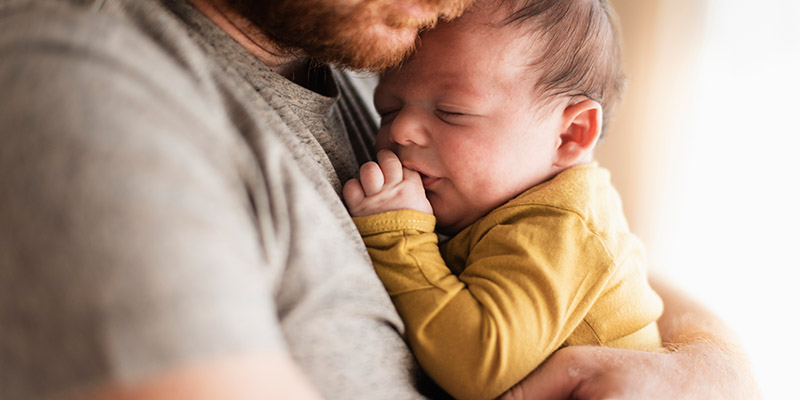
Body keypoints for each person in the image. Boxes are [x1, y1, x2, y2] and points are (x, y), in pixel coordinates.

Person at [0, 0, 758, 399]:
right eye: (400, 113)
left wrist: (715, 368)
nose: (404, 132)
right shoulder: (88, 92)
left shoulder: (388, 55)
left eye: (450, 113)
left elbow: (594, 260)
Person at [342, 1, 663, 398]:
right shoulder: (502, 205)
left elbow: (476, 364)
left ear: (570, 134)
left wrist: (398, 237)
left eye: (451, 112)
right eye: (387, 110)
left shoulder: (562, 225)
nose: (402, 130)